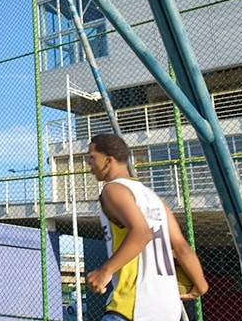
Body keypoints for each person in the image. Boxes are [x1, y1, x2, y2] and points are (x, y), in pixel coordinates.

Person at [85, 133, 208, 321]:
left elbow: (142, 233)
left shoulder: (113, 190)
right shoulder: (154, 199)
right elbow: (182, 247)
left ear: (108, 161)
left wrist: (105, 271)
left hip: (133, 305)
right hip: (169, 310)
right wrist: (200, 286)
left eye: (92, 157)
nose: (89, 163)